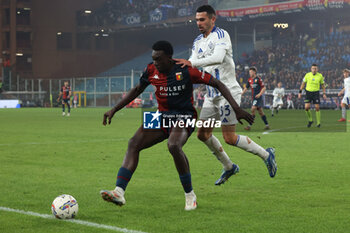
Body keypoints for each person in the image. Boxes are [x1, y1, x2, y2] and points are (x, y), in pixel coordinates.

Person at [100, 41, 254, 210]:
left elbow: (218, 84)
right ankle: (119, 192)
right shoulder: (151, 70)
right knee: (133, 143)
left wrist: (236, 109)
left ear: (169, 57)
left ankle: (190, 195)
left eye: (158, 59)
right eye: (153, 59)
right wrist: (114, 109)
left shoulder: (186, 70)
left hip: (184, 115)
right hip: (162, 115)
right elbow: (137, 89)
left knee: (173, 145)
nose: (155, 63)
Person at [174, 5, 277, 186]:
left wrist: (191, 62)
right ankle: (229, 167)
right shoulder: (198, 41)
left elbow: (218, 58)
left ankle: (267, 154)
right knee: (202, 134)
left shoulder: (222, 35)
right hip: (211, 95)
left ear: (213, 19)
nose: (199, 23)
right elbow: (192, 64)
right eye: (197, 20)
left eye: (202, 19)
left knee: (229, 138)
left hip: (227, 93)